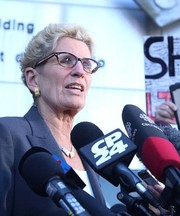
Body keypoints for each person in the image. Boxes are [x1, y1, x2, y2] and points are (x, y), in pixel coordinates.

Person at [0, 23, 107, 216]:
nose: (79, 71)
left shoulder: (88, 151)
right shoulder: (8, 134)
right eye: (66, 60)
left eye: (87, 64)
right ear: (33, 79)